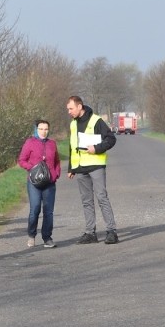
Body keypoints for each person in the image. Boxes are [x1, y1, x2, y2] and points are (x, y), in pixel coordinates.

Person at [66, 95, 119, 244]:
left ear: (79, 106)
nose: (69, 111)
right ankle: (90, 233)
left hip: (96, 165)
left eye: (71, 108)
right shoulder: (73, 124)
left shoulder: (96, 121)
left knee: (102, 197)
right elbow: (72, 146)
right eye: (68, 109)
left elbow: (111, 139)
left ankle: (111, 231)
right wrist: (71, 168)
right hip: (81, 168)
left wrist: (96, 148)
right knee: (86, 201)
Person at [18, 120, 62, 248]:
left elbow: (57, 161)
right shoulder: (30, 142)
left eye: (46, 129)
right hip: (34, 182)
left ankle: (47, 237)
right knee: (35, 209)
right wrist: (32, 168)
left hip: (49, 182)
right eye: (41, 129)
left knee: (48, 211)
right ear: (36, 129)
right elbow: (22, 160)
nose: (44, 131)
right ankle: (31, 235)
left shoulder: (52, 143)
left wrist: (56, 173)